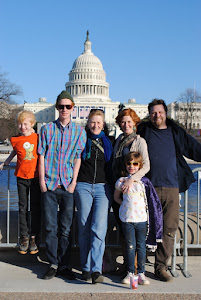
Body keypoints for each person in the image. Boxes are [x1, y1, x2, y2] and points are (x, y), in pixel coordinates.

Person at [137, 98, 201, 282]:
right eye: (154, 113)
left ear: (165, 113)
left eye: (160, 112)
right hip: (149, 187)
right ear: (150, 115)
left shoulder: (175, 132)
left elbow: (193, 148)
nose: (157, 115)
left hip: (172, 186)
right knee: (144, 227)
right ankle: (139, 266)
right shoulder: (144, 131)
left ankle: (160, 267)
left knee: (170, 228)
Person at [38, 91, 86, 280]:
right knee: (50, 227)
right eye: (61, 106)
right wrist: (42, 181)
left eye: (68, 106)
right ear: (56, 107)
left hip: (67, 184)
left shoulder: (79, 132)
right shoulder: (47, 129)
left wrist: (73, 183)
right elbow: (41, 155)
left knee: (66, 228)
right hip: (49, 184)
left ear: (73, 108)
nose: (64, 109)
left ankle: (65, 264)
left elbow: (77, 159)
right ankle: (53, 263)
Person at [74, 109, 113, 284]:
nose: (95, 125)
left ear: (103, 124)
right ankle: (85, 267)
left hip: (102, 188)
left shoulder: (108, 142)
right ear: (88, 123)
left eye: (98, 122)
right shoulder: (81, 139)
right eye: (92, 122)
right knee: (84, 227)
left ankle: (96, 269)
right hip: (83, 186)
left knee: (99, 229)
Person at [114, 152, 163, 285]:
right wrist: (123, 204)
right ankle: (130, 273)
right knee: (130, 246)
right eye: (129, 163)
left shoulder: (144, 182)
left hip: (142, 219)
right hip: (127, 219)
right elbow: (116, 197)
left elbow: (151, 200)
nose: (132, 166)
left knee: (141, 246)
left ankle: (141, 273)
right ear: (125, 164)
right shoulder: (121, 181)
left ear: (140, 166)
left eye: (135, 164)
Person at [112, 108, 150, 275]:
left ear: (135, 123)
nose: (126, 124)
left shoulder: (139, 141)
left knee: (135, 235)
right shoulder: (119, 139)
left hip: (131, 188)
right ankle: (127, 266)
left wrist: (131, 179)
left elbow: (146, 165)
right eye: (123, 121)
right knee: (124, 230)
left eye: (129, 121)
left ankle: (135, 268)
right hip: (120, 188)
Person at [0, 110, 41, 255]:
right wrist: (6, 162)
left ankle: (34, 237)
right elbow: (15, 152)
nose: (22, 127)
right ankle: (24, 237)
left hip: (35, 177)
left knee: (35, 208)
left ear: (32, 124)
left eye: (25, 124)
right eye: (20, 124)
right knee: (22, 208)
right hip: (21, 177)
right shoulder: (15, 140)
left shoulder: (38, 138)